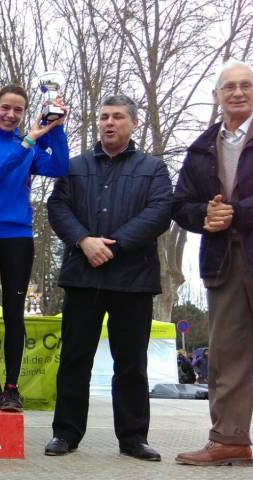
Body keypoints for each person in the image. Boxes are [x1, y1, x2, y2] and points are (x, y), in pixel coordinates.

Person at [45, 94, 171, 461]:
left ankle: (133, 438)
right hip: (83, 277)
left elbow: (160, 211)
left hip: (133, 278)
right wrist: (84, 241)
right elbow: (58, 206)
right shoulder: (74, 166)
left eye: (117, 117)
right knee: (74, 358)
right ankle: (65, 433)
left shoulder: (153, 168)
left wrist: (113, 247)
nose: (109, 123)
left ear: (133, 123)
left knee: (130, 362)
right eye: (104, 117)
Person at [0, 84, 69, 411]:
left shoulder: (27, 146)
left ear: (24, 113)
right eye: (5, 108)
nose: (11, 115)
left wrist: (55, 128)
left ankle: (12, 388)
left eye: (18, 110)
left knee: (14, 313)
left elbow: (59, 167)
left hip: (17, 236)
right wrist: (31, 139)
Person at [174, 59, 253, 467]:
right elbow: (180, 203)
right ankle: (229, 440)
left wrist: (236, 213)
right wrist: (204, 215)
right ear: (216, 96)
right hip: (223, 261)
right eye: (229, 87)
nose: (237, 93)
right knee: (227, 352)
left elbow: (239, 209)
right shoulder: (202, 147)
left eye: (245, 86)